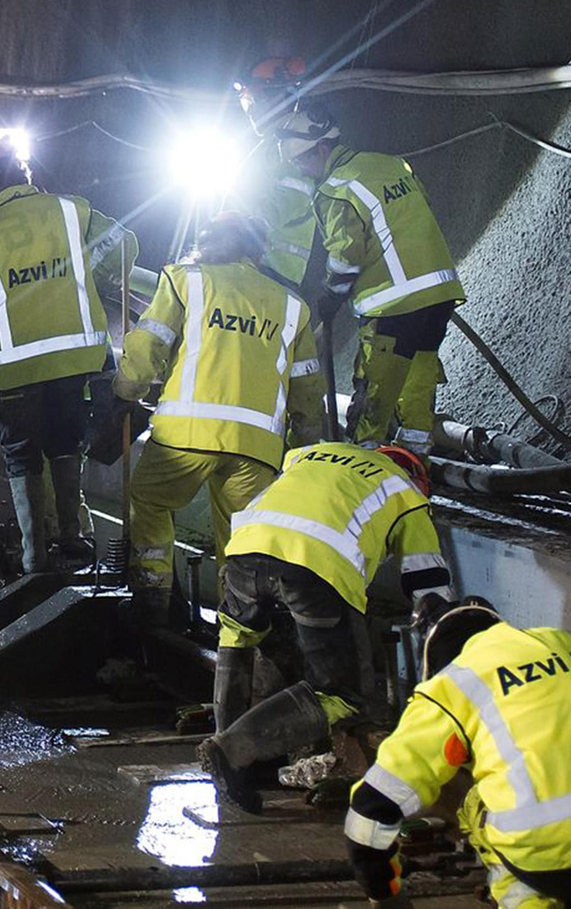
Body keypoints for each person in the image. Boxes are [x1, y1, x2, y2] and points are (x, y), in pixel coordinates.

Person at [198, 443, 453, 814]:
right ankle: (230, 750)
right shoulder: (405, 492)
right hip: (314, 570)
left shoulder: (312, 454)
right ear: (418, 477)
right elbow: (429, 590)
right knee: (342, 693)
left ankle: (235, 760)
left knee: (237, 635)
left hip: (245, 549)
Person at [112, 212, 327, 626]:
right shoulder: (291, 306)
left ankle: (152, 600)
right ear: (259, 251)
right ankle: (242, 621)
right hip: (258, 448)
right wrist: (305, 443)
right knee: (244, 535)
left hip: (185, 435)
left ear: (209, 242)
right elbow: (306, 387)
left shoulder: (186, 280)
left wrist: (124, 391)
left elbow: (147, 348)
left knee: (152, 502)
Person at [0, 137, 136, 572]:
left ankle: (34, 556)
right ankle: (72, 539)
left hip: (18, 374)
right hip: (82, 366)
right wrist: (94, 272)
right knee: (65, 442)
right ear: (24, 173)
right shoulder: (72, 211)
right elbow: (125, 250)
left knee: (21, 453)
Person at [345, 596, 571, 909]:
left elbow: (368, 816)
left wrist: (387, 897)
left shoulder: (448, 690)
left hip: (547, 860)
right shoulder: (556, 642)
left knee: (481, 804)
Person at [275, 103, 465, 458]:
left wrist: (329, 298)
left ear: (321, 148)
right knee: (418, 375)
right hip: (439, 292)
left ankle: (365, 461)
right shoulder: (390, 163)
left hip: (392, 302)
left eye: (302, 161)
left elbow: (346, 255)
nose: (302, 169)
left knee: (374, 390)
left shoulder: (334, 190)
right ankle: (415, 458)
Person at [232, 55, 321, 293]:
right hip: (251, 265)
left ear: (282, 95)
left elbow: (287, 201)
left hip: (271, 275)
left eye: (255, 100)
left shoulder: (296, 141)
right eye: (247, 102)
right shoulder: (270, 145)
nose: (251, 110)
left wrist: (228, 234)